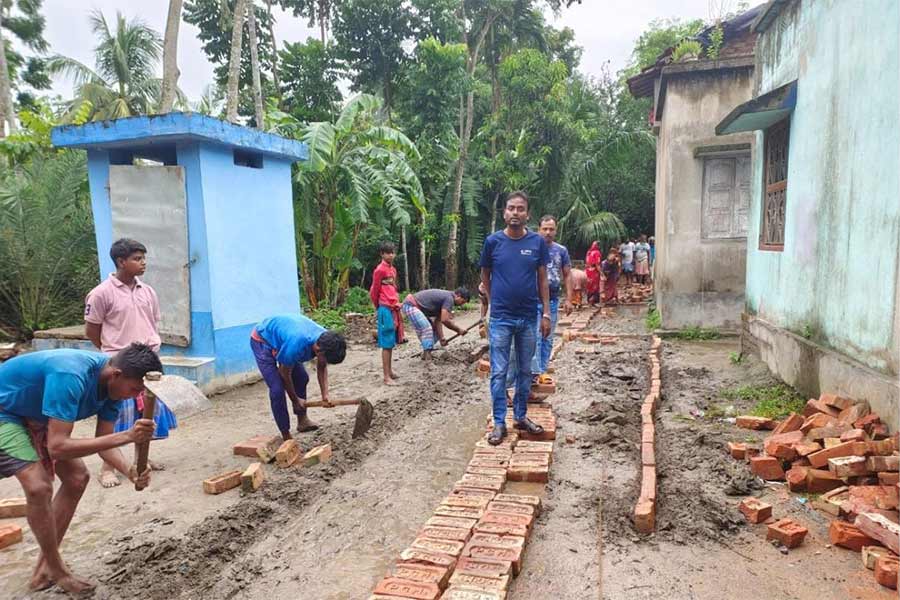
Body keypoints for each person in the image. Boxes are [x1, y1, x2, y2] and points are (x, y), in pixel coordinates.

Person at [0, 343, 159, 594]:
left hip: (36, 413)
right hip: (5, 411)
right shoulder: (70, 375)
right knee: (38, 486)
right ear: (116, 374)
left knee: (77, 478)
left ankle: (43, 570)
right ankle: (58, 569)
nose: (135, 396)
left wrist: (130, 471)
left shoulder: (114, 389)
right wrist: (128, 436)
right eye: (134, 389)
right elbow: (58, 447)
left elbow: (104, 445)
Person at [84, 238, 177, 489]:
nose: (143, 263)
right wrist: (112, 353)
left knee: (144, 413)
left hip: (148, 363)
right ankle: (108, 467)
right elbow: (92, 330)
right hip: (122, 366)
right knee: (117, 416)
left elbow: (153, 322)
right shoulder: (101, 293)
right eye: (137, 259)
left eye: (144, 258)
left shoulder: (148, 292)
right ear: (121, 261)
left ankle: (140, 460)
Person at [480, 191, 550, 446]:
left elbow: (542, 278)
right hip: (501, 319)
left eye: (520, 209)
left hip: (529, 317)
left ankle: (520, 416)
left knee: (524, 370)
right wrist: (492, 300)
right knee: (498, 372)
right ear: (504, 213)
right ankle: (500, 423)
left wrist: (546, 313)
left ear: (527, 214)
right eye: (511, 208)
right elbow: (485, 274)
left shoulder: (537, 243)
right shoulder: (493, 242)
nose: (515, 213)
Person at [250, 314, 347, 440]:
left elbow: (322, 367)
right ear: (318, 350)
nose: (325, 362)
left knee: (302, 378)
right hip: (263, 340)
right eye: (325, 359)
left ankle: (303, 421)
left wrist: (325, 395)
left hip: (284, 338)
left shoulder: (326, 340)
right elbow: (284, 373)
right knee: (277, 390)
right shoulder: (297, 344)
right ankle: (286, 435)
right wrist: (295, 400)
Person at [531, 216, 572, 378]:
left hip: (553, 300)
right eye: (545, 229)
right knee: (535, 336)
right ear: (539, 230)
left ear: (556, 231)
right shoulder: (531, 248)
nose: (548, 232)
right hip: (532, 300)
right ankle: (534, 373)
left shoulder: (561, 251)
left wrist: (569, 299)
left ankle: (542, 369)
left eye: (551, 229)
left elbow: (567, 274)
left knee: (547, 336)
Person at [401, 288, 471, 360]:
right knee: (427, 329)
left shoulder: (447, 298)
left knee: (435, 332)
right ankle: (428, 358)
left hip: (417, 308)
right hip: (411, 304)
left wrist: (441, 338)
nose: (461, 305)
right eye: (462, 302)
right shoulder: (449, 298)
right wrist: (458, 330)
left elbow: (439, 320)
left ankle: (426, 353)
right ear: (458, 296)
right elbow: (445, 320)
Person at [369, 241, 404, 385]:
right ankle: (386, 376)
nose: (391, 255)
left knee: (391, 341)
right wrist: (378, 307)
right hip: (385, 308)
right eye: (387, 253)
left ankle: (390, 371)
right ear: (382, 254)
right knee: (386, 342)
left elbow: (393, 288)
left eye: (392, 252)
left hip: (393, 307)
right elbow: (374, 290)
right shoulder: (379, 270)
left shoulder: (393, 270)